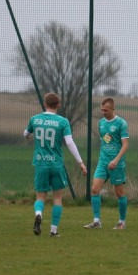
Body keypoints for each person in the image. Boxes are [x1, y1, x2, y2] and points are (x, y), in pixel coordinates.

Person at [24, 92, 88, 236]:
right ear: (58, 105)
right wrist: (81, 163)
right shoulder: (63, 122)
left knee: (40, 197)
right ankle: (53, 230)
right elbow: (70, 142)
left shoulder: (35, 119)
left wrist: (28, 136)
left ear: (45, 104)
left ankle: (39, 213)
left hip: (41, 164)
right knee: (57, 198)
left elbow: (25, 133)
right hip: (57, 164)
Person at [84, 98, 130, 230]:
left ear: (113, 109)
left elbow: (125, 145)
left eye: (106, 110)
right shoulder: (101, 123)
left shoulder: (121, 123)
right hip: (103, 162)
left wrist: (115, 160)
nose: (103, 112)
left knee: (119, 192)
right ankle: (97, 221)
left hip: (117, 163)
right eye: (102, 110)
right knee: (94, 189)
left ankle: (122, 222)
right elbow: (107, 140)